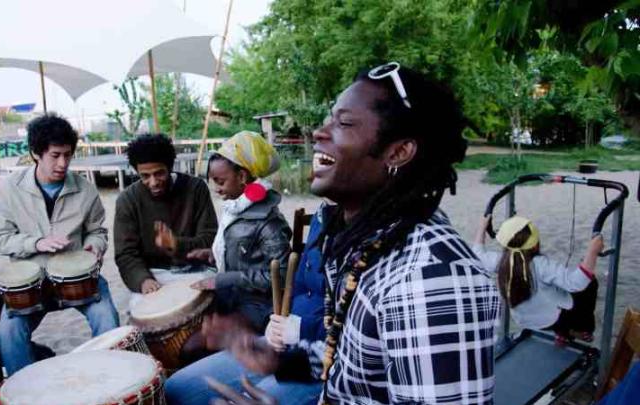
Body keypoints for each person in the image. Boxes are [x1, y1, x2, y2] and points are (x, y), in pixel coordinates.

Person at [203, 62, 501, 405]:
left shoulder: (431, 278)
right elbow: (354, 361)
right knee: (181, 390)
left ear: (398, 152)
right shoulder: (359, 239)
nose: (319, 132)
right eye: (330, 118)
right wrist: (279, 358)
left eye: (343, 123)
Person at [0, 114, 119, 375]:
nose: (63, 163)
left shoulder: (85, 189)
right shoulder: (8, 189)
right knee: (8, 332)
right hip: (30, 283)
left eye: (68, 155)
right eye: (55, 155)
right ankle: (24, 392)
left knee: (107, 319)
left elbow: (97, 231)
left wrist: (95, 245)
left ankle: (109, 379)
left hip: (78, 279)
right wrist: (36, 243)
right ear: (36, 153)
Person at [165, 203, 333, 405]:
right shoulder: (325, 213)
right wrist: (277, 326)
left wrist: (290, 347)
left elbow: (350, 352)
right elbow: (299, 286)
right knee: (175, 388)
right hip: (290, 347)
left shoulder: (372, 253)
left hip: (322, 366)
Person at [186, 131, 292, 333]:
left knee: (202, 336)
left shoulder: (268, 222)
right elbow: (244, 254)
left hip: (258, 306)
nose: (216, 188)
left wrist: (225, 279)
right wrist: (212, 254)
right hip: (234, 296)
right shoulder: (236, 208)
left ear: (242, 176)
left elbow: (282, 274)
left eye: (220, 181)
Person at [473, 215, 602, 345]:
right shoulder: (541, 264)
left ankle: (564, 332)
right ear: (535, 244)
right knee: (590, 284)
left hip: (523, 320)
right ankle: (581, 330)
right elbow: (579, 282)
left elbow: (477, 254)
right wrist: (592, 251)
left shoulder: (500, 262)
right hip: (552, 320)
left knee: (555, 288)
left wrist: (482, 226)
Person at [114, 134, 218, 294]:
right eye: (145, 176)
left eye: (159, 173)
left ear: (170, 167)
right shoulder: (128, 199)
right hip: (153, 273)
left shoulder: (196, 188)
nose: (153, 182)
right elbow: (126, 254)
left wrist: (176, 244)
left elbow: (210, 239)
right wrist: (142, 280)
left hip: (197, 269)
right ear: (137, 172)